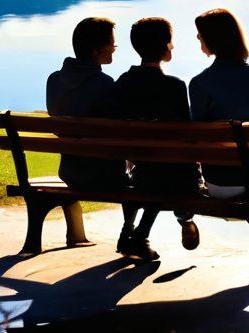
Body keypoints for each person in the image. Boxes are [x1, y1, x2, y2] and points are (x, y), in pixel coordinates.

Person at [109, 17, 202, 261]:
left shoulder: (122, 84)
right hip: (174, 177)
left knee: (155, 172)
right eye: (170, 42)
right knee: (173, 174)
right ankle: (157, 229)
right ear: (164, 47)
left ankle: (130, 233)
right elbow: (186, 136)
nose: (172, 47)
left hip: (139, 174)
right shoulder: (174, 86)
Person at [46, 16, 137, 254]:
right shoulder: (106, 85)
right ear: (98, 50)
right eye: (112, 46)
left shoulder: (54, 80)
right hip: (107, 176)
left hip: (69, 172)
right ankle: (130, 232)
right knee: (142, 180)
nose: (115, 51)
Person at [189, 8, 249, 195]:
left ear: (211, 39)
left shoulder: (199, 83)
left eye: (200, 35)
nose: (198, 39)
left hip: (218, 184)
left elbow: (198, 137)